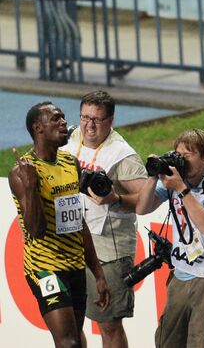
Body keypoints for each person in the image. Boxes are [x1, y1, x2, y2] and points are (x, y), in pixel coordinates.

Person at [9, 102, 110, 347]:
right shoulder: (21, 174)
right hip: (45, 268)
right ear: (38, 128)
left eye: (63, 117)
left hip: (74, 265)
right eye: (56, 119)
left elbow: (78, 222)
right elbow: (36, 230)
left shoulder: (70, 164)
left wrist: (98, 273)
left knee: (76, 338)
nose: (64, 122)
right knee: (69, 343)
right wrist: (32, 187)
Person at [135, 128, 204, 348]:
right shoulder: (177, 179)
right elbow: (142, 208)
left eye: (187, 155)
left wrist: (182, 189)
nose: (181, 161)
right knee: (167, 342)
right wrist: (153, 176)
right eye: (178, 155)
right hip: (182, 274)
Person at [62, 90, 147, 348]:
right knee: (72, 321)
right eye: (85, 117)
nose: (89, 125)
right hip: (70, 241)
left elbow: (145, 202)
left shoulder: (123, 155)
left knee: (108, 323)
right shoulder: (70, 137)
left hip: (108, 249)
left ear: (110, 121)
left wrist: (116, 199)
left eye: (97, 120)